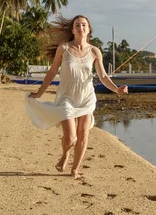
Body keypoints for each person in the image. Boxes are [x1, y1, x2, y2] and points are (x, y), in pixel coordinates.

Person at [25, 15, 128, 179]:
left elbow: (102, 76)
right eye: (78, 25)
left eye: (84, 25)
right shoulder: (64, 48)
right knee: (70, 137)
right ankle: (65, 154)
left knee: (83, 135)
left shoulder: (94, 51)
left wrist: (117, 90)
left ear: (89, 29)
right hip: (66, 96)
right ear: (73, 30)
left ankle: (75, 169)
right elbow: (52, 72)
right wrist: (39, 93)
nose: (81, 28)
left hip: (86, 97)